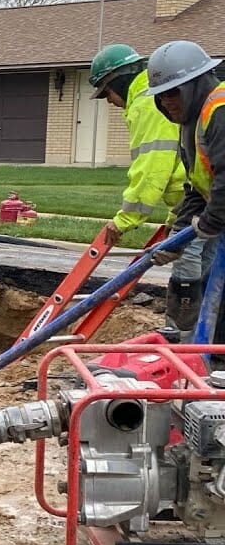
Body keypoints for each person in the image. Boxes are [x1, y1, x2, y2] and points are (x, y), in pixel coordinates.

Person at [88, 44, 195, 337]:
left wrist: (123, 221)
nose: (109, 101)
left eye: (106, 92)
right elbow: (179, 164)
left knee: (191, 270)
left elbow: (152, 169)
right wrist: (177, 220)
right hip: (196, 201)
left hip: (205, 205)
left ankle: (188, 346)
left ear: (118, 80)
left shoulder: (147, 104)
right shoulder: (155, 99)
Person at [147, 41, 225, 288]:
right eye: (161, 95)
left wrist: (209, 222)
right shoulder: (193, 123)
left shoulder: (220, 110)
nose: (166, 101)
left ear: (196, 84)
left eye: (173, 92)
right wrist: (177, 240)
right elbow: (198, 187)